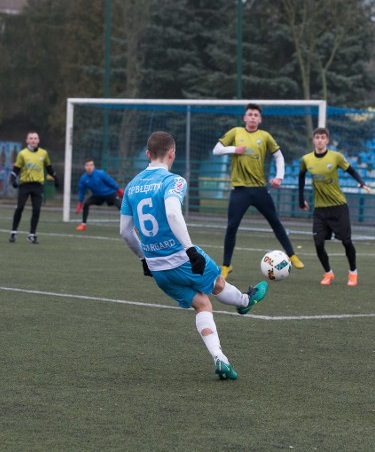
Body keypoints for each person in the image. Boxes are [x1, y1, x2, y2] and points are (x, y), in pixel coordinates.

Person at [120, 131, 268, 380]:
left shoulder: (132, 186)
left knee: (201, 304)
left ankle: (220, 359)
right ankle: (244, 302)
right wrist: (189, 249)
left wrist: (144, 259)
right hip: (181, 256)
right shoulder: (173, 180)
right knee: (218, 284)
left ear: (147, 154)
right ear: (172, 154)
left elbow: (125, 231)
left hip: (157, 269)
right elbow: (173, 214)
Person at [213, 103, 304, 279]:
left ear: (260, 119)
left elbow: (279, 156)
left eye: (256, 115)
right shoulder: (235, 132)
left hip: (259, 189)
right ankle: (226, 265)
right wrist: (233, 149)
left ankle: (292, 254)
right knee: (231, 227)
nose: (253, 117)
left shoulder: (265, 136)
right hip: (239, 190)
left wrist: (279, 177)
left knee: (275, 222)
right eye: (250, 114)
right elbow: (216, 150)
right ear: (244, 118)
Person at [298, 127, 372, 286]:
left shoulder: (336, 157)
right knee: (318, 243)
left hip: (338, 207)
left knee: (346, 242)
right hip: (320, 209)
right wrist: (301, 198)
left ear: (327, 140)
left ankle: (353, 273)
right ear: (313, 140)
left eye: (323, 138)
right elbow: (301, 178)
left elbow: (351, 171)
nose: (320, 140)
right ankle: (328, 273)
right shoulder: (306, 159)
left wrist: (362, 183)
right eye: (317, 137)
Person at [8, 131, 59, 244]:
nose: (33, 140)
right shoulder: (22, 154)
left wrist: (56, 178)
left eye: (35, 138)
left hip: (38, 186)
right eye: (31, 138)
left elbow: (49, 167)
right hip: (25, 185)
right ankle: (13, 232)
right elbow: (16, 169)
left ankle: (31, 234)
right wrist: (13, 180)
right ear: (27, 140)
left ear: (38, 140)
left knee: (36, 209)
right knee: (20, 207)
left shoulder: (43, 153)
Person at [76, 159, 122, 231]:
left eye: (91, 165)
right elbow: (82, 191)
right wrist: (80, 202)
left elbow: (110, 182)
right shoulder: (83, 179)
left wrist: (118, 190)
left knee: (121, 207)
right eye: (87, 165)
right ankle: (83, 224)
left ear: (93, 166)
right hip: (98, 196)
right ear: (85, 167)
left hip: (110, 194)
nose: (89, 167)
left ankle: (132, 226)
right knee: (86, 204)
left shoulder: (101, 173)